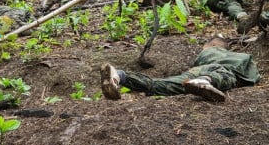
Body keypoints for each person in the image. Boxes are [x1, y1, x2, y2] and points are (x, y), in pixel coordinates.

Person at [100, 37, 260, 102]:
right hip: (216, 71)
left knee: (161, 85)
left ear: (208, 46)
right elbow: (250, 74)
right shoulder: (238, 56)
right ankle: (205, 82)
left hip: (196, 72)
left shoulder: (204, 55)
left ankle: (119, 76)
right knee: (223, 75)